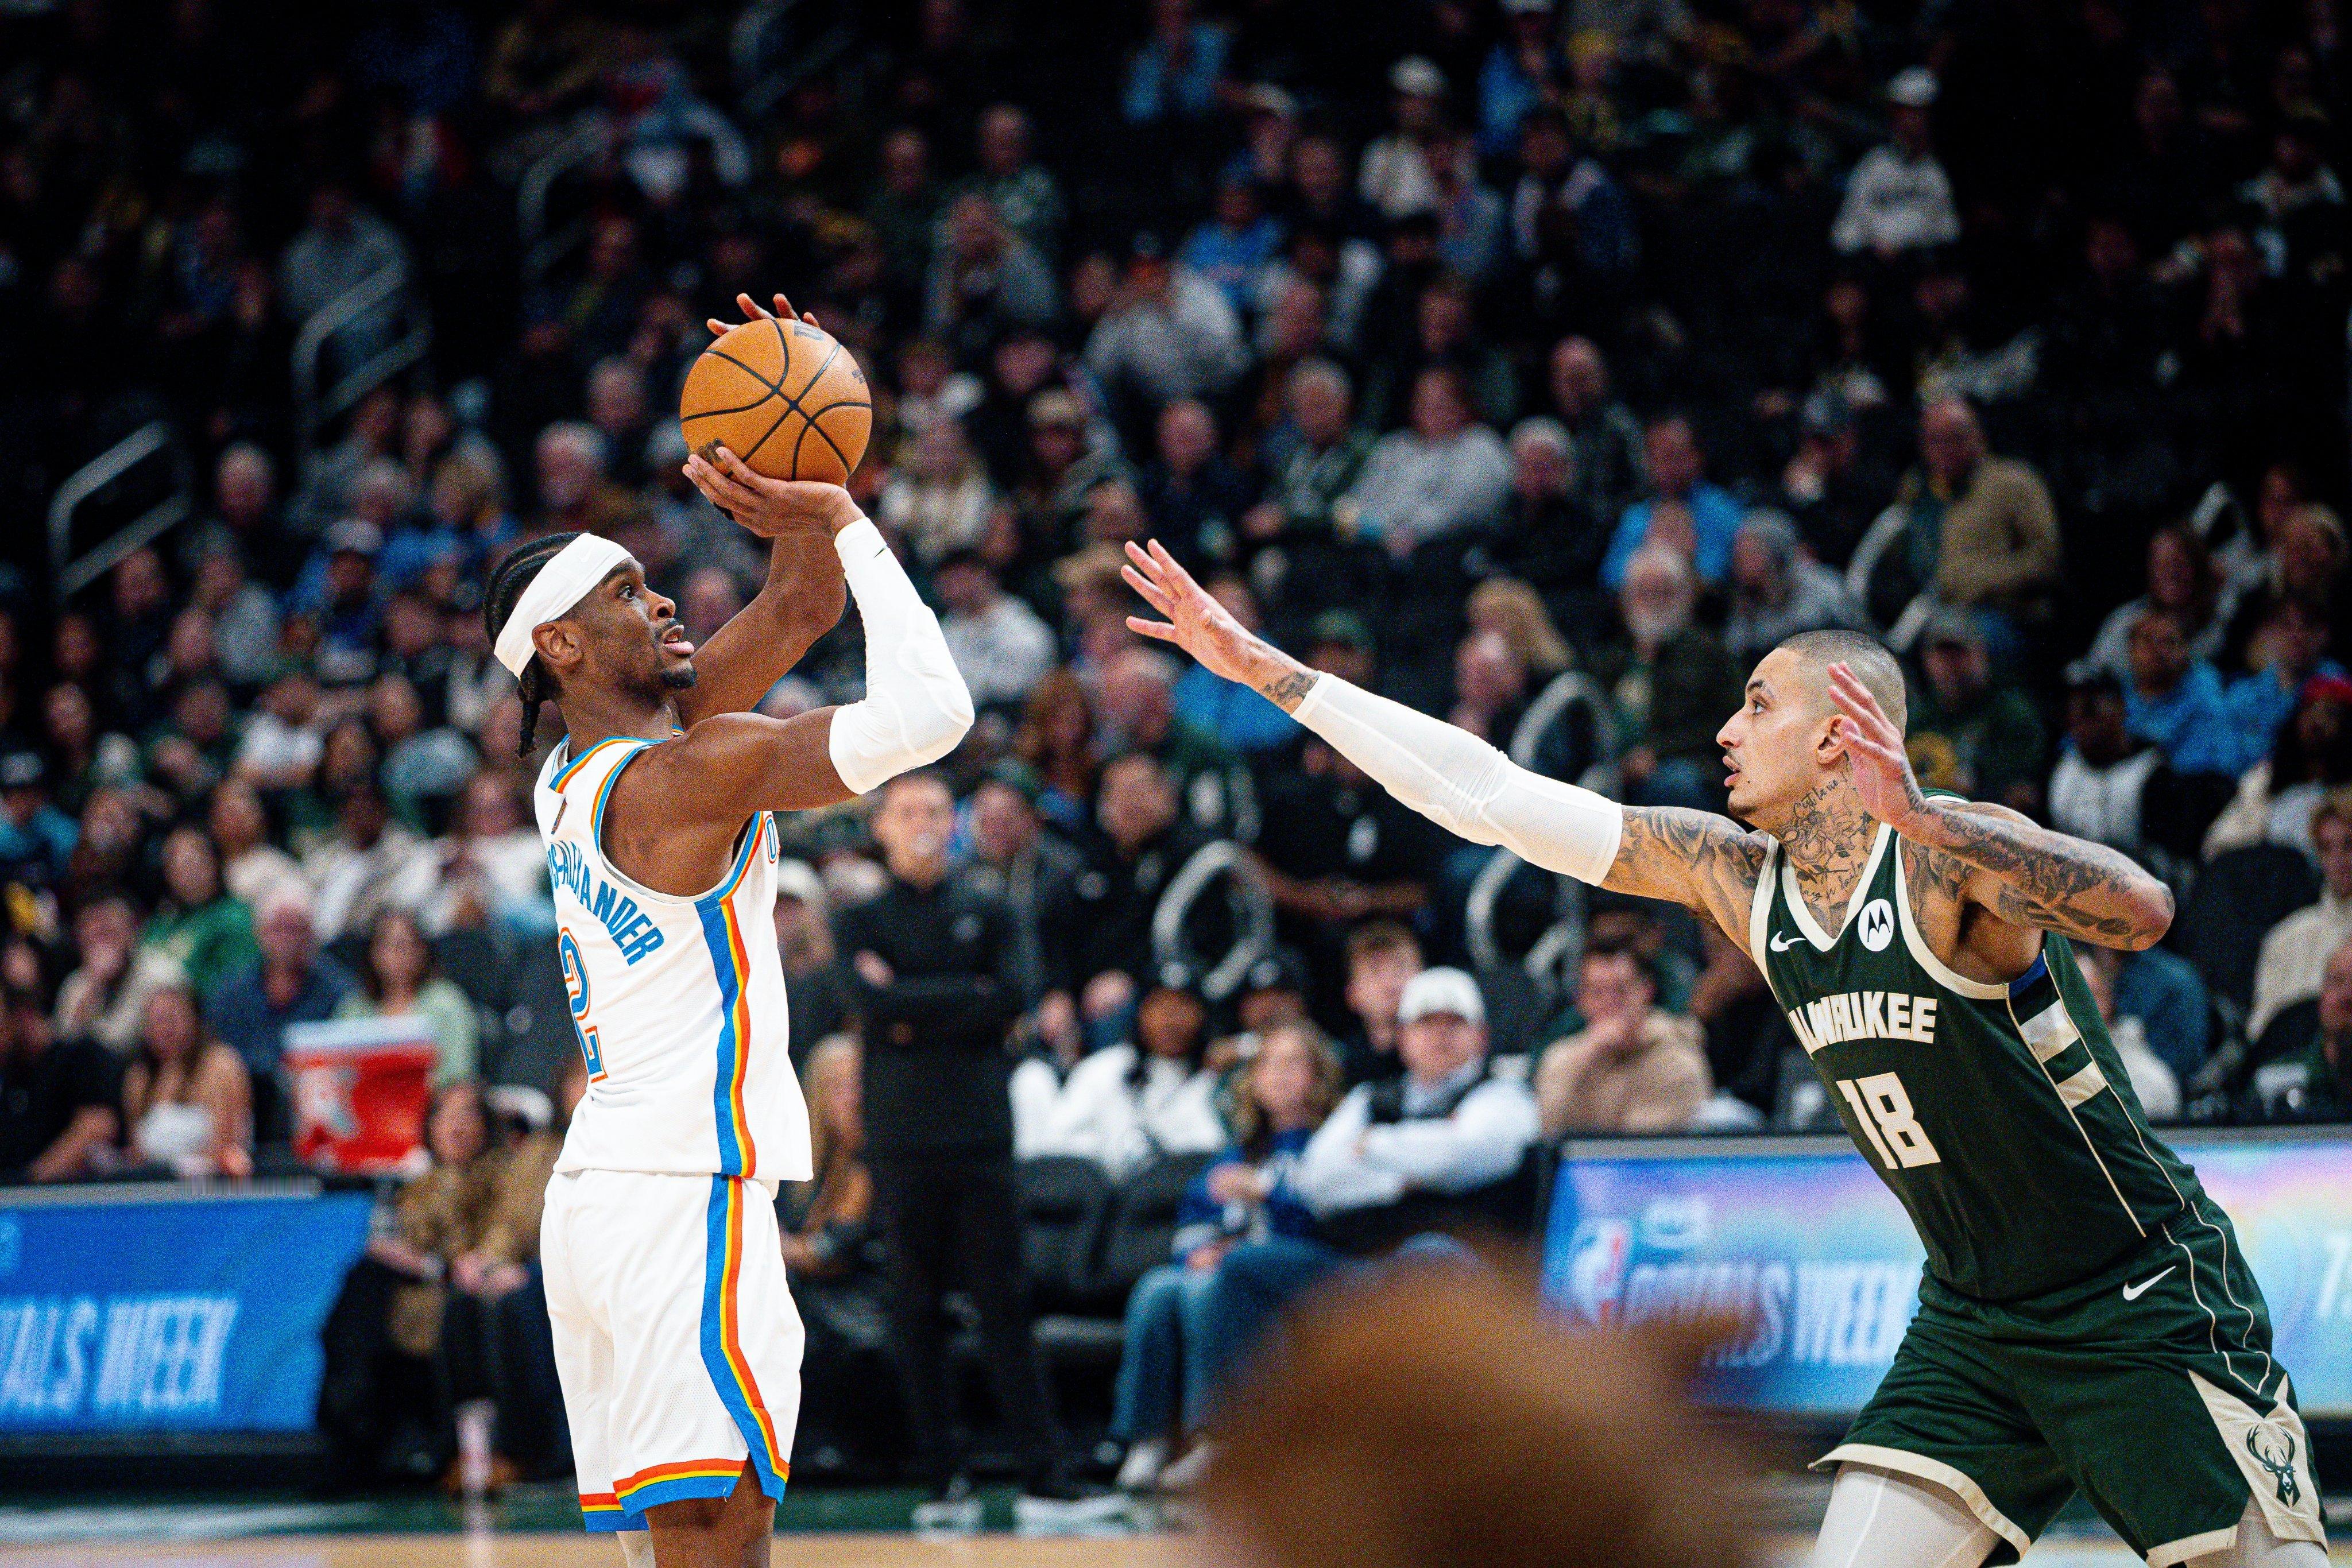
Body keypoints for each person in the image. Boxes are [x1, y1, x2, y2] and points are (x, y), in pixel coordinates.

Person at [1126, 537, 2329, 1568]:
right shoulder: (1733, 877)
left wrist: (1927, 814)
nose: (1723, 727)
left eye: (1757, 704)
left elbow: (2142, 911)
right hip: (1973, 1319)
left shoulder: (1946, 858)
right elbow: (1487, 794)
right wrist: (1276, 674)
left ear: (1837, 734)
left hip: (2136, 1295)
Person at [492, 292, 973, 1566]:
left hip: (608, 1198)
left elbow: (800, 610)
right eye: (627, 593)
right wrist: (852, 520)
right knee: (720, 1547)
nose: (664, 603)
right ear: (559, 642)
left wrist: (802, 469)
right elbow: (936, 716)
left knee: (688, 1550)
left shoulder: (578, 770)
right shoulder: (683, 778)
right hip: (677, 1197)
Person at [829, 769, 1105, 1521]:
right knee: (913, 1307)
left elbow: (1011, 997)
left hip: (981, 1131)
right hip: (899, 1136)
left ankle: (1045, 1475)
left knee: (1004, 1301)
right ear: (881, 825)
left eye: (933, 809)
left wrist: (907, 1005)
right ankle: (943, 1477)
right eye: (906, 810)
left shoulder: (990, 908)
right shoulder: (857, 918)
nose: (922, 821)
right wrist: (961, 995)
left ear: (952, 822)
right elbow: (867, 1004)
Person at [1189, 967, 1540, 1446]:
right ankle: (1233, 1443)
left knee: (1427, 1256)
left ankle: (1413, 1451)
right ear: (1403, 1037)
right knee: (1247, 1266)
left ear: (1480, 1035)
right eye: (1426, 1023)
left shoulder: (1505, 1096)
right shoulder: (1370, 1098)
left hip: (1462, 1265)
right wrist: (1404, 1177)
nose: (1440, 1034)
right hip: (1361, 1263)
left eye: (1454, 1022)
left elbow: (1468, 1154)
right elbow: (1317, 1180)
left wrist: (1372, 1146)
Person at [1112, 1020, 1340, 1492]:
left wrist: (1266, 1193)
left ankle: (1214, 1437)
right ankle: (1148, 1439)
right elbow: (1193, 1220)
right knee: (1158, 1287)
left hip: (1289, 1276)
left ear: (1318, 1076)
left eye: (1293, 1063)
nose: (1278, 1074)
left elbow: (1331, 1218)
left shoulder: (1330, 1145)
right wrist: (1199, 1252)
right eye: (1268, 1064)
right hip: (1226, 1267)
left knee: (1213, 1290)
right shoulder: (1235, 1153)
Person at [1027, 982, 1227, 1178]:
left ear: (1202, 1014)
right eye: (1159, 1005)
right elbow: (1055, 1141)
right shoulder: (1102, 1070)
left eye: (1181, 1006)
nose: (1169, 1021)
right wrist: (1109, 1156)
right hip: (1111, 1192)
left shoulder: (1215, 1077)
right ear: (1139, 1012)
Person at [1535, 940, 1711, 1135]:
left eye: (1621, 991)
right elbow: (1549, 1128)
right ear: (1581, 1000)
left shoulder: (1678, 1058)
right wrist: (1589, 1053)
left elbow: (1643, 1142)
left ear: (1646, 991)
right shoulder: (1560, 1057)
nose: (1610, 1003)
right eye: (1597, 993)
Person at [2247, 789, 2352, 1041]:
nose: (2338, 859)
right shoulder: (2286, 938)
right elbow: (2262, 1035)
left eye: (2349, 845)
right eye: (2327, 848)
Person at [121, 981, 252, 1177]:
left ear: (193, 1020)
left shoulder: (221, 1065)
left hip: (212, 1183)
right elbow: (137, 1152)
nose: (162, 1030)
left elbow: (230, 1144)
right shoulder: (138, 1078)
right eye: (154, 1022)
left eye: (170, 1020)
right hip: (154, 1186)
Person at [337, 908, 481, 1086]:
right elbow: (339, 1070)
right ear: (372, 953)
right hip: (366, 1099)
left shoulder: (447, 1002)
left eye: (406, 945)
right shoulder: (355, 1008)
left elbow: (459, 1073)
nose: (398, 954)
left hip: (433, 1099)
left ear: (422, 951)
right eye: (389, 945)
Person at [0, 982, 119, 1183]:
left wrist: (29, 1184)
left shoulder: (80, 1056)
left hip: (66, 1194)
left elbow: (97, 1126)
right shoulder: (12, 1072)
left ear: (23, 1017)